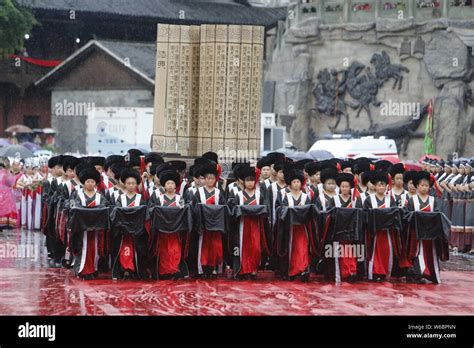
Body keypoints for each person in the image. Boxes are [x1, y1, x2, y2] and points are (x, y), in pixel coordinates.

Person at [405, 171, 449, 284]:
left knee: (431, 254)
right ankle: (419, 274)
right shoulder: (412, 200)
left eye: (426, 185)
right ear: (417, 186)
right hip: (417, 234)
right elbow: (407, 215)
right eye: (422, 185)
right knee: (417, 253)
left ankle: (432, 274)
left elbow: (438, 215)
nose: (424, 188)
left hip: (431, 235)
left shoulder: (433, 200)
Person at [230, 166, 269, 280]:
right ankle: (244, 269)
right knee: (244, 248)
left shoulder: (259, 195)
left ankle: (253, 269)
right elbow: (233, 211)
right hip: (242, 226)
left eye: (252, 180)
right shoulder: (239, 195)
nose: (250, 183)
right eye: (247, 180)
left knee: (256, 247)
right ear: (243, 182)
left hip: (256, 225)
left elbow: (265, 210)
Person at [149, 169, 188, 280]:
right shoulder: (159, 199)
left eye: (172, 183)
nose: (170, 186)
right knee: (164, 250)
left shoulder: (179, 198)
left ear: (175, 185)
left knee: (175, 250)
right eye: (168, 183)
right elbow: (152, 211)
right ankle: (164, 271)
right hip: (163, 230)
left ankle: (175, 270)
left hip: (176, 231)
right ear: (164, 186)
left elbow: (183, 211)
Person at [70, 167, 107, 280]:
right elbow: (72, 208)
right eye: (88, 182)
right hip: (82, 229)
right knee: (83, 247)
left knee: (94, 248)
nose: (90, 184)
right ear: (83, 183)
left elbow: (104, 208)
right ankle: (83, 270)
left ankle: (93, 269)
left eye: (92, 182)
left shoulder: (100, 196)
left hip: (96, 229)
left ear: (96, 183)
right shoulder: (78, 194)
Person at [191, 162, 226, 278]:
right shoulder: (198, 192)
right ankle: (202, 268)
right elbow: (194, 208)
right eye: (208, 178)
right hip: (203, 225)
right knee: (203, 246)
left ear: (216, 179)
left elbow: (223, 207)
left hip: (216, 225)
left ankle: (214, 268)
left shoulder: (218, 193)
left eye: (212, 178)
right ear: (204, 179)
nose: (210, 181)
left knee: (215, 246)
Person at [363, 171, 399, 282]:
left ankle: (384, 272)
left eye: (383, 185)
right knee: (374, 252)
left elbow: (395, 215)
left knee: (386, 252)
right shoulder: (369, 200)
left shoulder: (391, 200)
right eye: (379, 185)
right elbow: (365, 215)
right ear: (374, 186)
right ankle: (374, 272)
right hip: (374, 233)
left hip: (387, 232)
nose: (381, 187)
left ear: (386, 186)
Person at [277, 169, 313, 281]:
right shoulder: (286, 197)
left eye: (298, 182)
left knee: (302, 249)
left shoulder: (305, 197)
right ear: (290, 183)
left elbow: (309, 211)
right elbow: (281, 210)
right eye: (294, 182)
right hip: (290, 228)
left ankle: (303, 270)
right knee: (291, 250)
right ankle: (292, 271)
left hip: (302, 228)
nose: (296, 184)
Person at [0, 160, 19, 231]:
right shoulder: (6, 173)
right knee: (6, 209)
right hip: (6, 194)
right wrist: (13, 175)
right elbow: (11, 183)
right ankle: (4, 224)